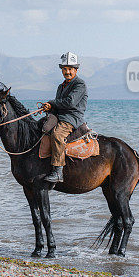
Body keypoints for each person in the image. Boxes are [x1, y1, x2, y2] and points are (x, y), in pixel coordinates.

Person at [41, 51, 88, 183]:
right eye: (65, 69)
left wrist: (51, 103)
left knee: (57, 135)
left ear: (76, 70)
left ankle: (58, 171)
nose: (67, 72)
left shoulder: (80, 84)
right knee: (40, 127)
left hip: (72, 117)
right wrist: (48, 107)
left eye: (70, 69)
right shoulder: (61, 86)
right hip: (61, 115)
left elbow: (70, 102)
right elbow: (58, 105)